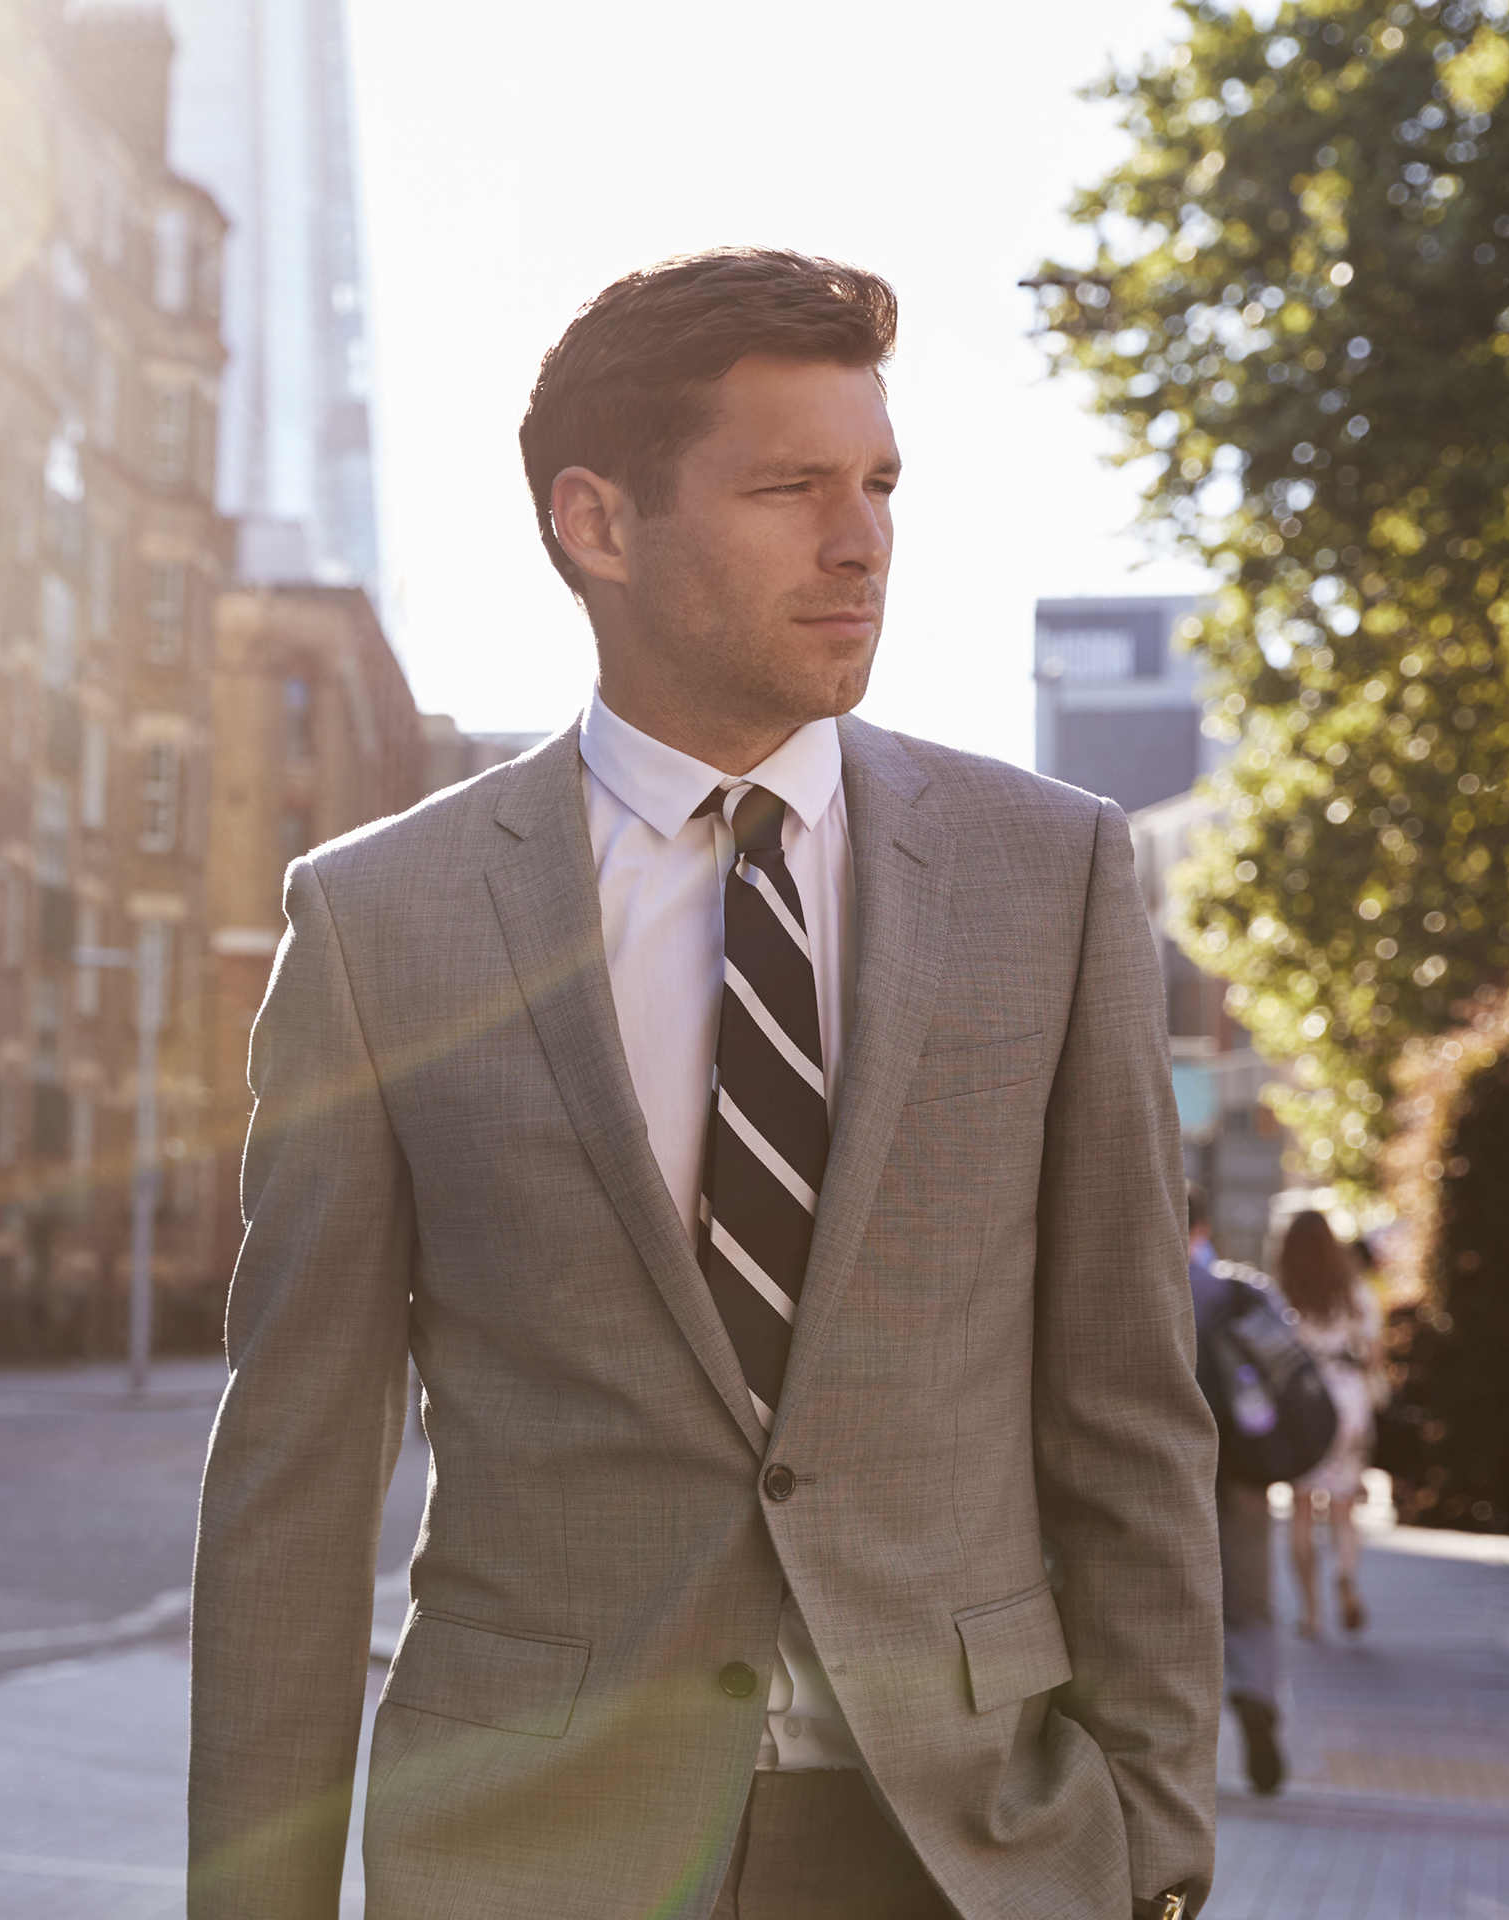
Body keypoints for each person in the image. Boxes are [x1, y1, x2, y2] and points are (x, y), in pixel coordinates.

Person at [188, 248, 1221, 1920]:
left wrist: (1157, 1851)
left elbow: (1125, 1400)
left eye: (879, 483)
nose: (863, 538)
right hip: (531, 1849)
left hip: (965, 1852)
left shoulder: (1056, 874)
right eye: (790, 486)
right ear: (599, 526)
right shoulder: (380, 923)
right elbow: (294, 1478)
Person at [1186, 1185, 1285, 1797]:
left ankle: (1191, 1748)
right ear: (1204, 1227)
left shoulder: (1144, 1287)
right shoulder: (1245, 1292)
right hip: (1246, 1474)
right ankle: (1258, 1697)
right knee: (1250, 1608)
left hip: (1172, 1477)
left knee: (1180, 1612)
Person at [1278, 1210, 1384, 1638]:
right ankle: (1345, 1574)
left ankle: (1311, 1613)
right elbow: (1374, 1355)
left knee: (1301, 1508)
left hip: (1304, 1404)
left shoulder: (1281, 1294)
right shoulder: (1355, 1291)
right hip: (1348, 1400)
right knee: (1343, 1507)